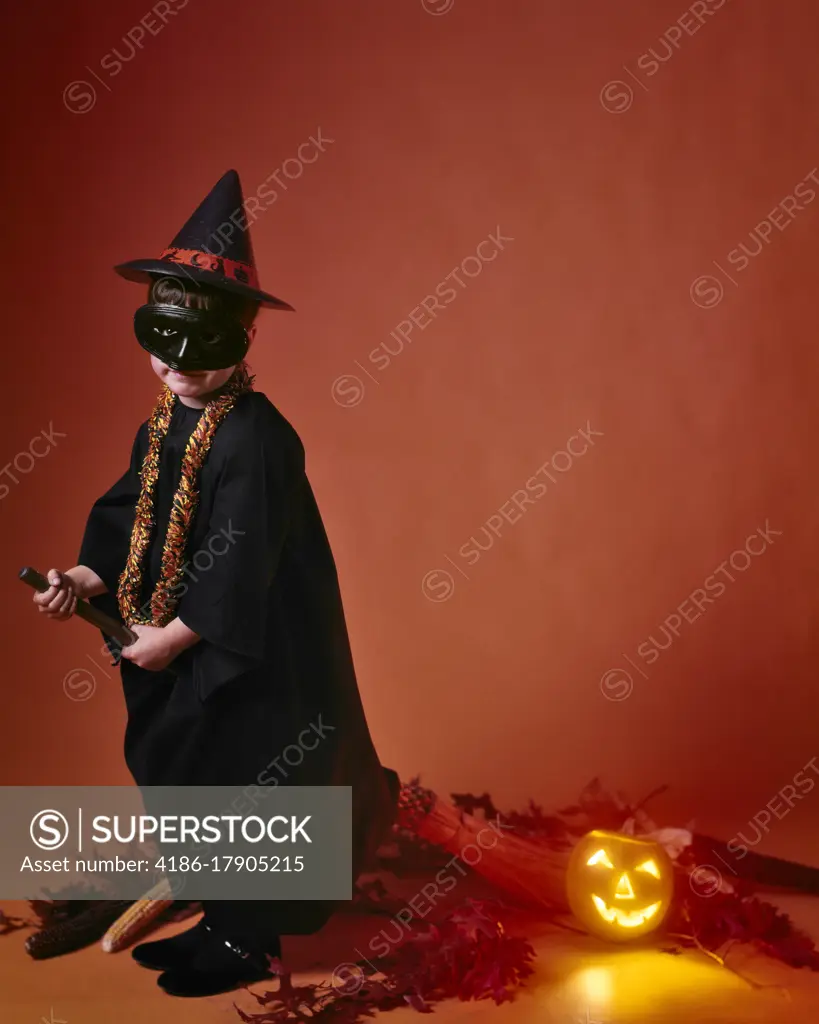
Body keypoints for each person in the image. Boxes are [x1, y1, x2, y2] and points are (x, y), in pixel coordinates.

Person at [32, 169, 398, 998]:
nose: (171, 363)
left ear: (243, 340)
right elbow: (133, 513)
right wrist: (83, 576)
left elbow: (243, 567)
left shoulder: (257, 441)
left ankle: (248, 936)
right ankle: (221, 920)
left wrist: (174, 637)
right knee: (190, 784)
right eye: (158, 339)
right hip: (179, 651)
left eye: (195, 346)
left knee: (248, 778)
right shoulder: (164, 421)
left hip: (250, 662)